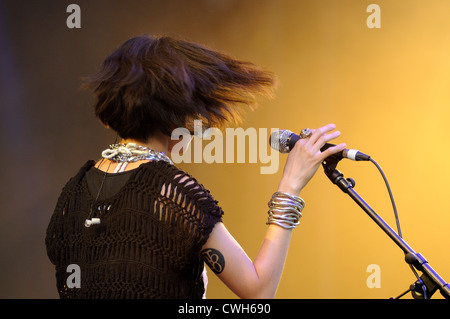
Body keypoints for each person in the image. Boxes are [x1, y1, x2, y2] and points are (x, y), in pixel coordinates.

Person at [45, 34, 346, 299]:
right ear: (177, 114)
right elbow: (258, 291)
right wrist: (290, 185)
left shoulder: (72, 194)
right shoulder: (172, 195)